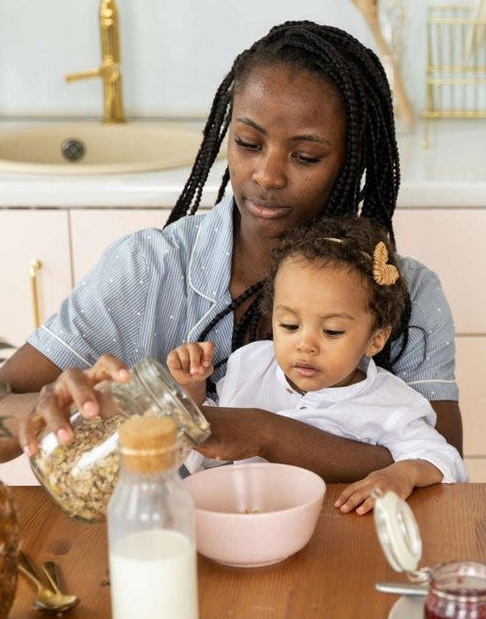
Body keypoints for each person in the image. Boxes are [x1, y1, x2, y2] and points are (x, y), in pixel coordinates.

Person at [0, 21, 461, 483]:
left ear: (352, 159)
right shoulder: (149, 269)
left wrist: (267, 433)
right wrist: (40, 407)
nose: (267, 175)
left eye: (306, 157)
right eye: (248, 143)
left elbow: (441, 467)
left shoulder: (402, 288)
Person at [167, 216, 467, 513]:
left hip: (342, 537)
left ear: (375, 339)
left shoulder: (391, 405)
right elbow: (208, 440)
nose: (306, 345)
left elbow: (444, 458)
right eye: (289, 325)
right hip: (248, 523)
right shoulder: (250, 365)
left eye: (332, 331)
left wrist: (403, 473)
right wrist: (191, 387)